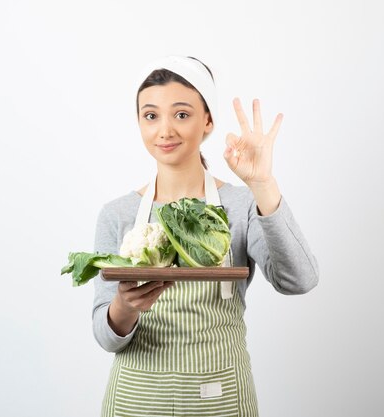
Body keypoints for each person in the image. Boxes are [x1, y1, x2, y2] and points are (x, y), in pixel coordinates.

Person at [92, 55, 319, 417]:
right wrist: (125, 306)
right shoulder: (116, 215)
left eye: (181, 114)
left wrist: (262, 185)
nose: (165, 130)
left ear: (208, 121)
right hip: (137, 400)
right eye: (151, 115)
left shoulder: (242, 204)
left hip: (221, 397)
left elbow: (299, 280)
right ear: (138, 122)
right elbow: (105, 337)